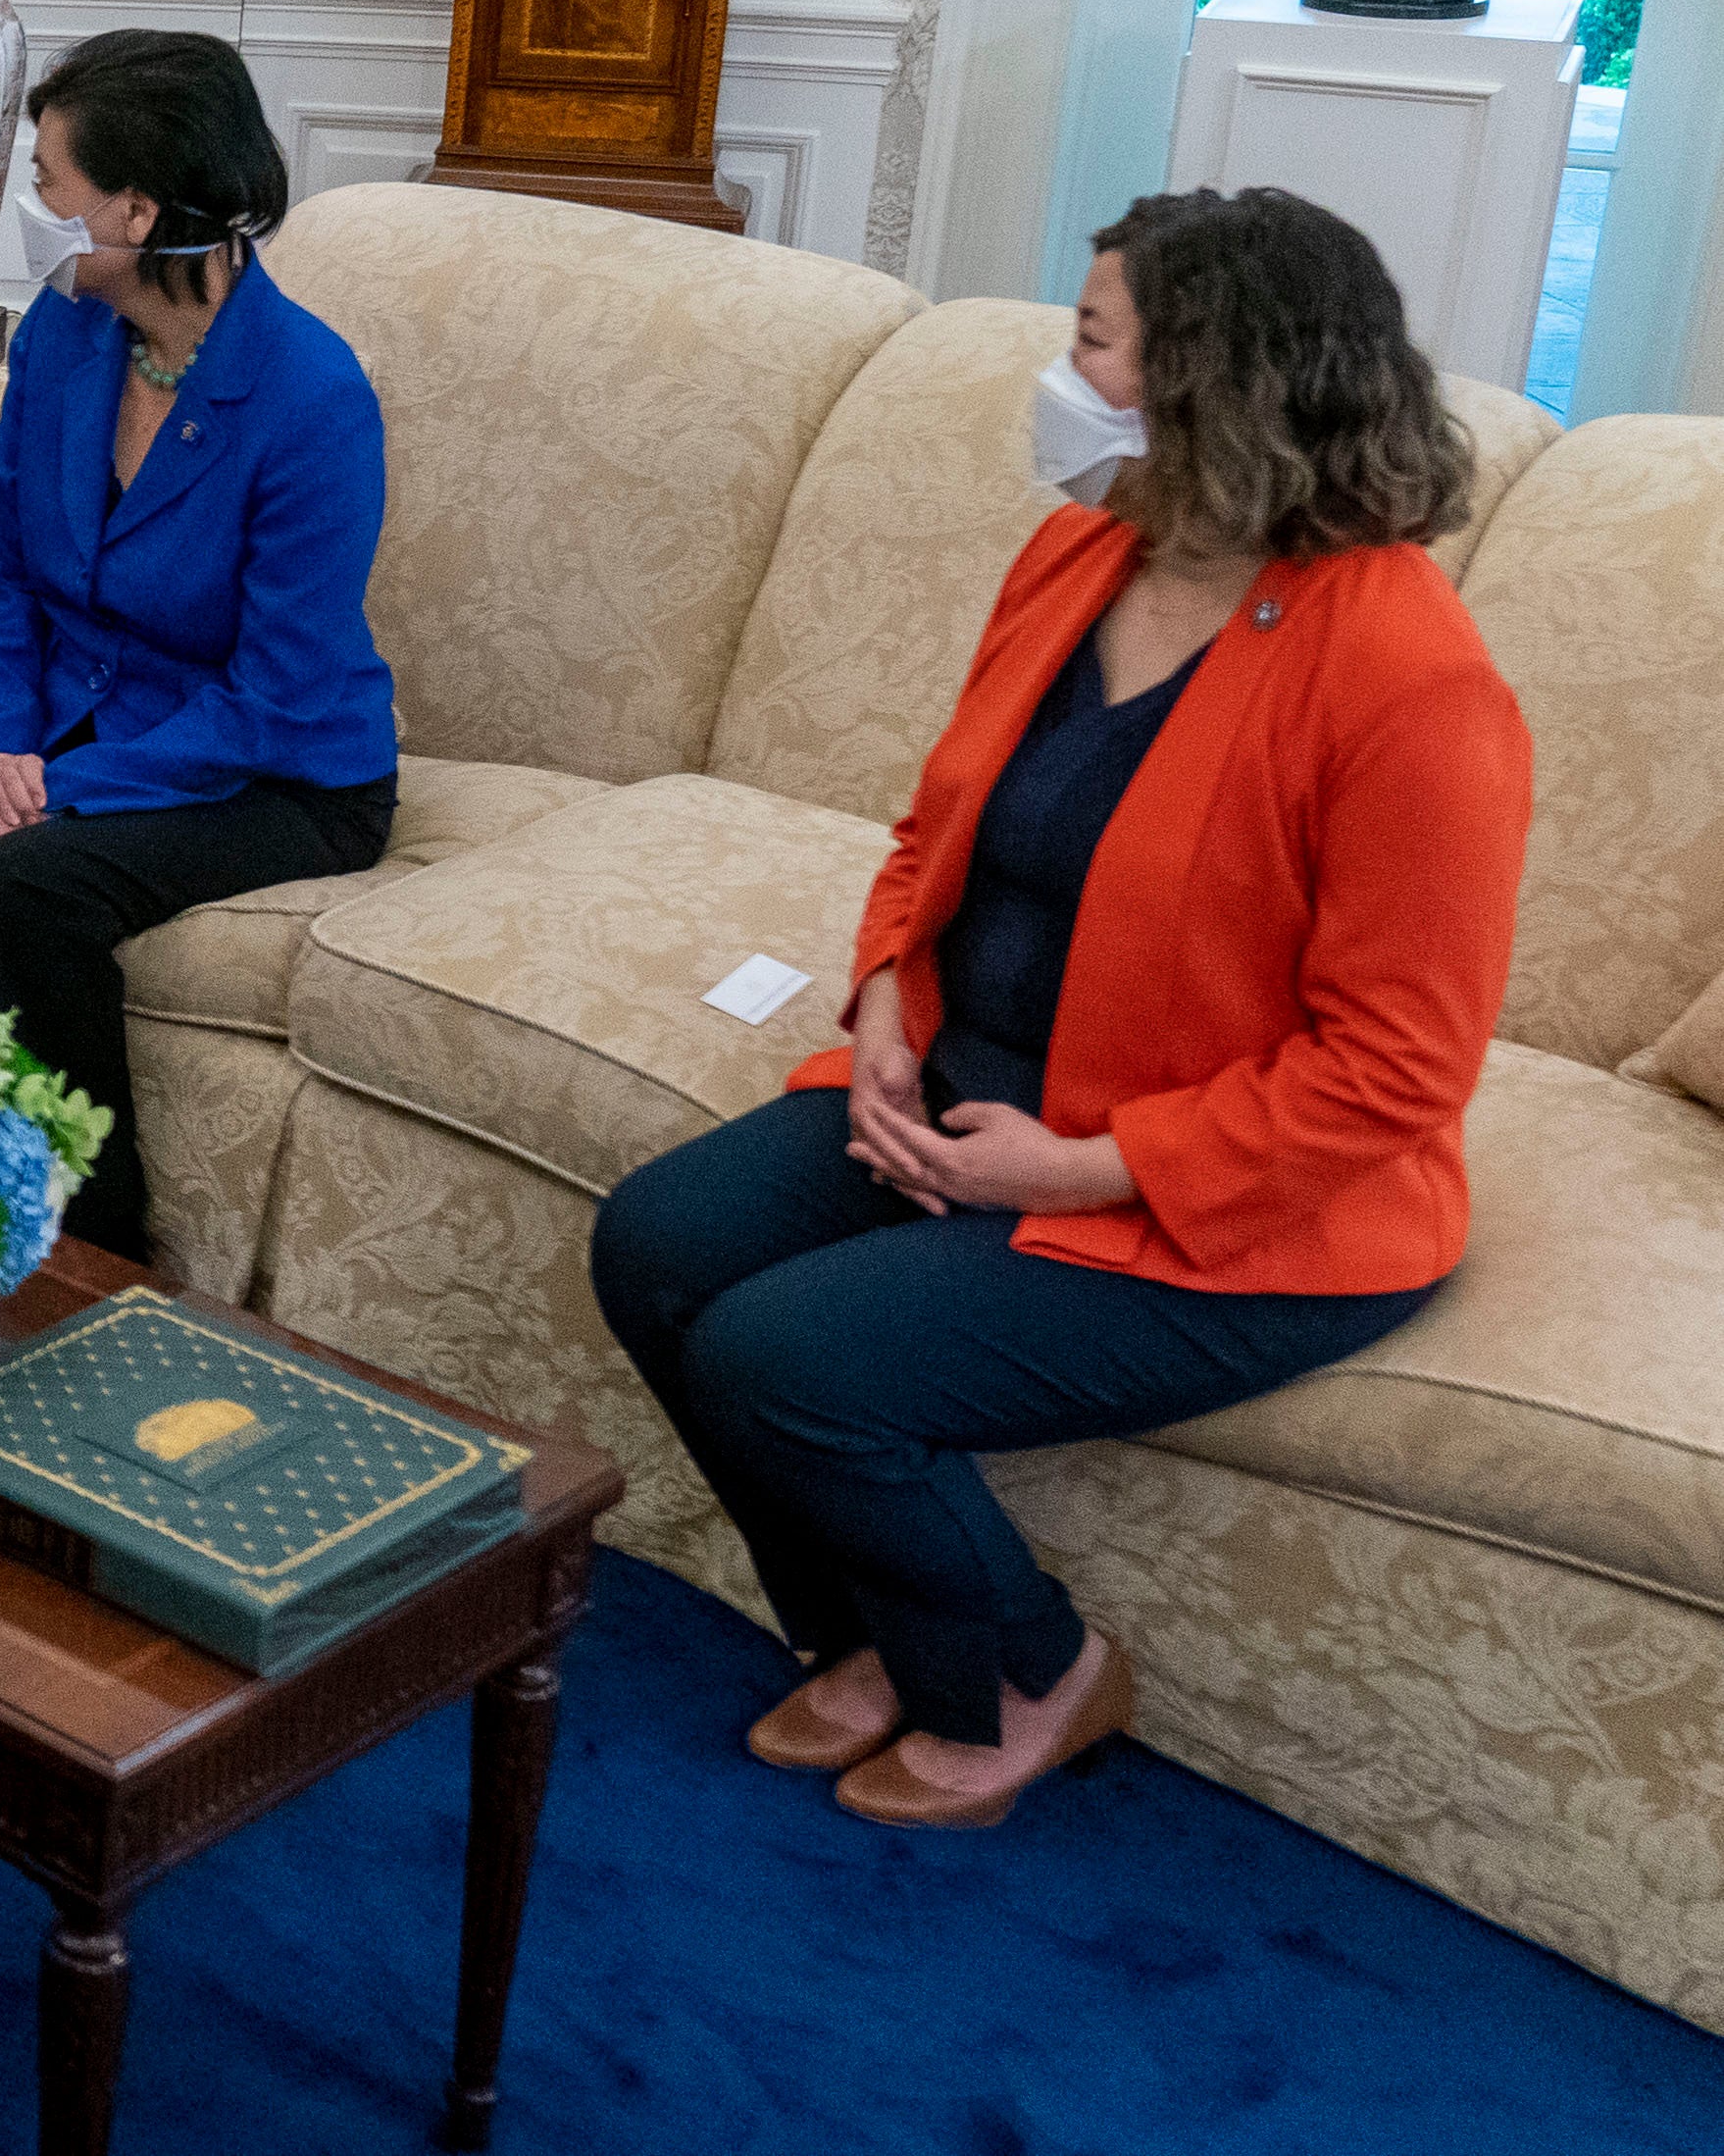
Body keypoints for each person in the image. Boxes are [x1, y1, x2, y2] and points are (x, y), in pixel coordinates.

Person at [591, 188, 1517, 1828]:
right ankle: (881, 1631)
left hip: (1231, 1195)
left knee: (783, 1354)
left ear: (1204, 381)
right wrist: (879, 1002)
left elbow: (1393, 1074)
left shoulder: (1403, 673)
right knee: (655, 1244)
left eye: (1087, 338)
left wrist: (1076, 1172)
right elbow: (935, 825)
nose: (1058, 366)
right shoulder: (1080, 550)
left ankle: (1027, 1666)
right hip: (960, 1078)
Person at [0, 30, 401, 1259]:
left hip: (281, 773)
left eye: (49, 181)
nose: (32, 207)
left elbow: (274, 692)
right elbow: (1, 573)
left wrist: (45, 788)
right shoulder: (63, 334)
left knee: (21, 883)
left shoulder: (312, 398)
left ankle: (93, 1249)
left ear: (135, 208)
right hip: (75, 723)